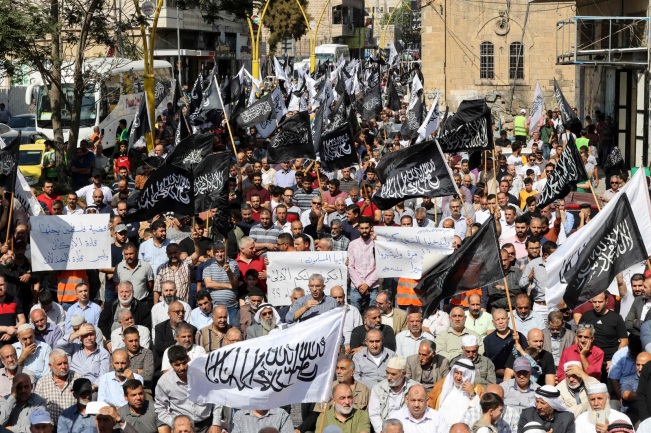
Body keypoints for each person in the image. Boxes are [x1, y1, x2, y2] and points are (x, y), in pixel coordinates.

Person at [154, 346, 222, 433]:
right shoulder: (164, 382)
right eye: (177, 365)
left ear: (188, 359)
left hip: (206, 425)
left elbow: (217, 398)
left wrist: (216, 423)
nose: (182, 368)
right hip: (182, 429)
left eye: (184, 363)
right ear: (171, 364)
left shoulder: (204, 375)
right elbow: (160, 408)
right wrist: (175, 423)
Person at [578, 292, 628, 375]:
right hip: (590, 359)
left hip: (609, 360)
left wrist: (615, 360)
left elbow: (624, 341)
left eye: (600, 302)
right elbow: (578, 336)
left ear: (606, 301)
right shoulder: (586, 316)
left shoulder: (616, 318)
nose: (597, 305)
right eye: (594, 302)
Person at [428, 359, 482, 429]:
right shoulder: (442, 385)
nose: (459, 377)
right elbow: (430, 406)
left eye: (463, 374)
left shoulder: (478, 390)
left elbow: (478, 414)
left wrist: (472, 394)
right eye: (456, 373)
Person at [368, 357, 418, 433]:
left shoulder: (415, 388)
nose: (389, 377)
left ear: (403, 374)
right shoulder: (377, 388)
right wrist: (382, 431)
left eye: (393, 374)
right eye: (387, 372)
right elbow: (374, 414)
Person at [34, 349, 82, 426]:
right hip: (51, 427)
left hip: (75, 426)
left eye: (65, 363)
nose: (63, 366)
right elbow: (36, 408)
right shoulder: (42, 382)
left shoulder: (78, 378)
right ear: (50, 366)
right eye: (59, 364)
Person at [55, 323, 110, 389]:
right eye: (86, 335)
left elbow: (103, 375)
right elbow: (59, 345)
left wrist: (93, 387)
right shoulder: (75, 346)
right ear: (80, 337)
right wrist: (78, 333)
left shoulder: (103, 353)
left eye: (92, 334)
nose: (89, 338)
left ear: (95, 336)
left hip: (91, 387)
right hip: (72, 384)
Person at [348, 218, 379, 311]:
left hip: (373, 286)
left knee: (372, 313)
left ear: (370, 228)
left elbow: (380, 266)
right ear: (359, 229)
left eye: (366, 228)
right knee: (355, 314)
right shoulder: (353, 244)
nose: (364, 230)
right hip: (356, 286)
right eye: (362, 228)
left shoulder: (376, 244)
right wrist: (359, 284)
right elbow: (350, 266)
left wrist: (367, 284)